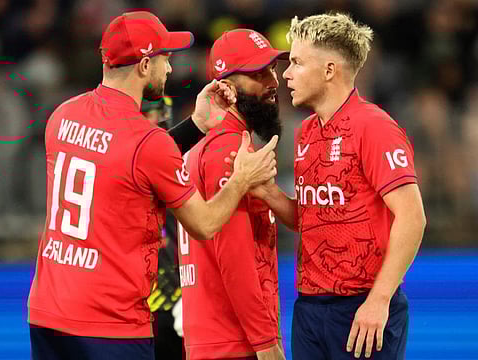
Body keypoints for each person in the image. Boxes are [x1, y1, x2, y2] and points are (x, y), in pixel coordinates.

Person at [27, 11, 279, 360]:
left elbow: (125, 159)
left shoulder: (62, 115)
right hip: (109, 323)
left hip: (47, 313)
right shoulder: (146, 141)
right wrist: (242, 180)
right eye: (165, 59)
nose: (170, 69)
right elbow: (204, 224)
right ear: (145, 66)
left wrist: (196, 125)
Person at [235, 13, 426, 360]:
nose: (286, 75)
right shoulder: (306, 132)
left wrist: (379, 300)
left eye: (296, 62)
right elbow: (315, 216)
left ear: (329, 71)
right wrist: (267, 193)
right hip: (309, 308)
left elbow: (413, 218)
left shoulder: (375, 127)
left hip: (362, 307)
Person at [179, 29, 288, 360]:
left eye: (272, 68)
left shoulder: (209, 145)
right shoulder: (228, 151)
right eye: (258, 73)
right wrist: (266, 344)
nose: (274, 81)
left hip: (214, 338)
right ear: (225, 85)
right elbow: (235, 257)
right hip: (234, 342)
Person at [141, 97, 185, 359]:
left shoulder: (181, 160)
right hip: (137, 304)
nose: (153, 119)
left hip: (178, 298)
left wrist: (195, 294)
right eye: (147, 113)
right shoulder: (120, 163)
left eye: (158, 113)